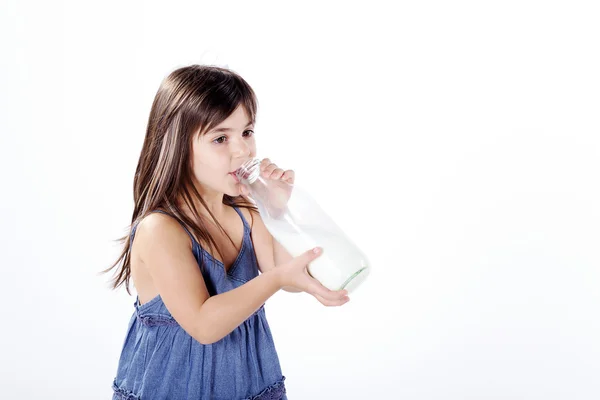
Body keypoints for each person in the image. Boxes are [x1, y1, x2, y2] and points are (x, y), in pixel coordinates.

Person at [102, 64, 350, 400]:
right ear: (177, 146)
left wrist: (277, 210)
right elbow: (205, 325)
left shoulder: (247, 213)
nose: (243, 151)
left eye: (247, 132)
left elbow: (286, 273)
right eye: (221, 138)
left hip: (250, 388)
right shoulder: (160, 230)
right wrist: (276, 280)